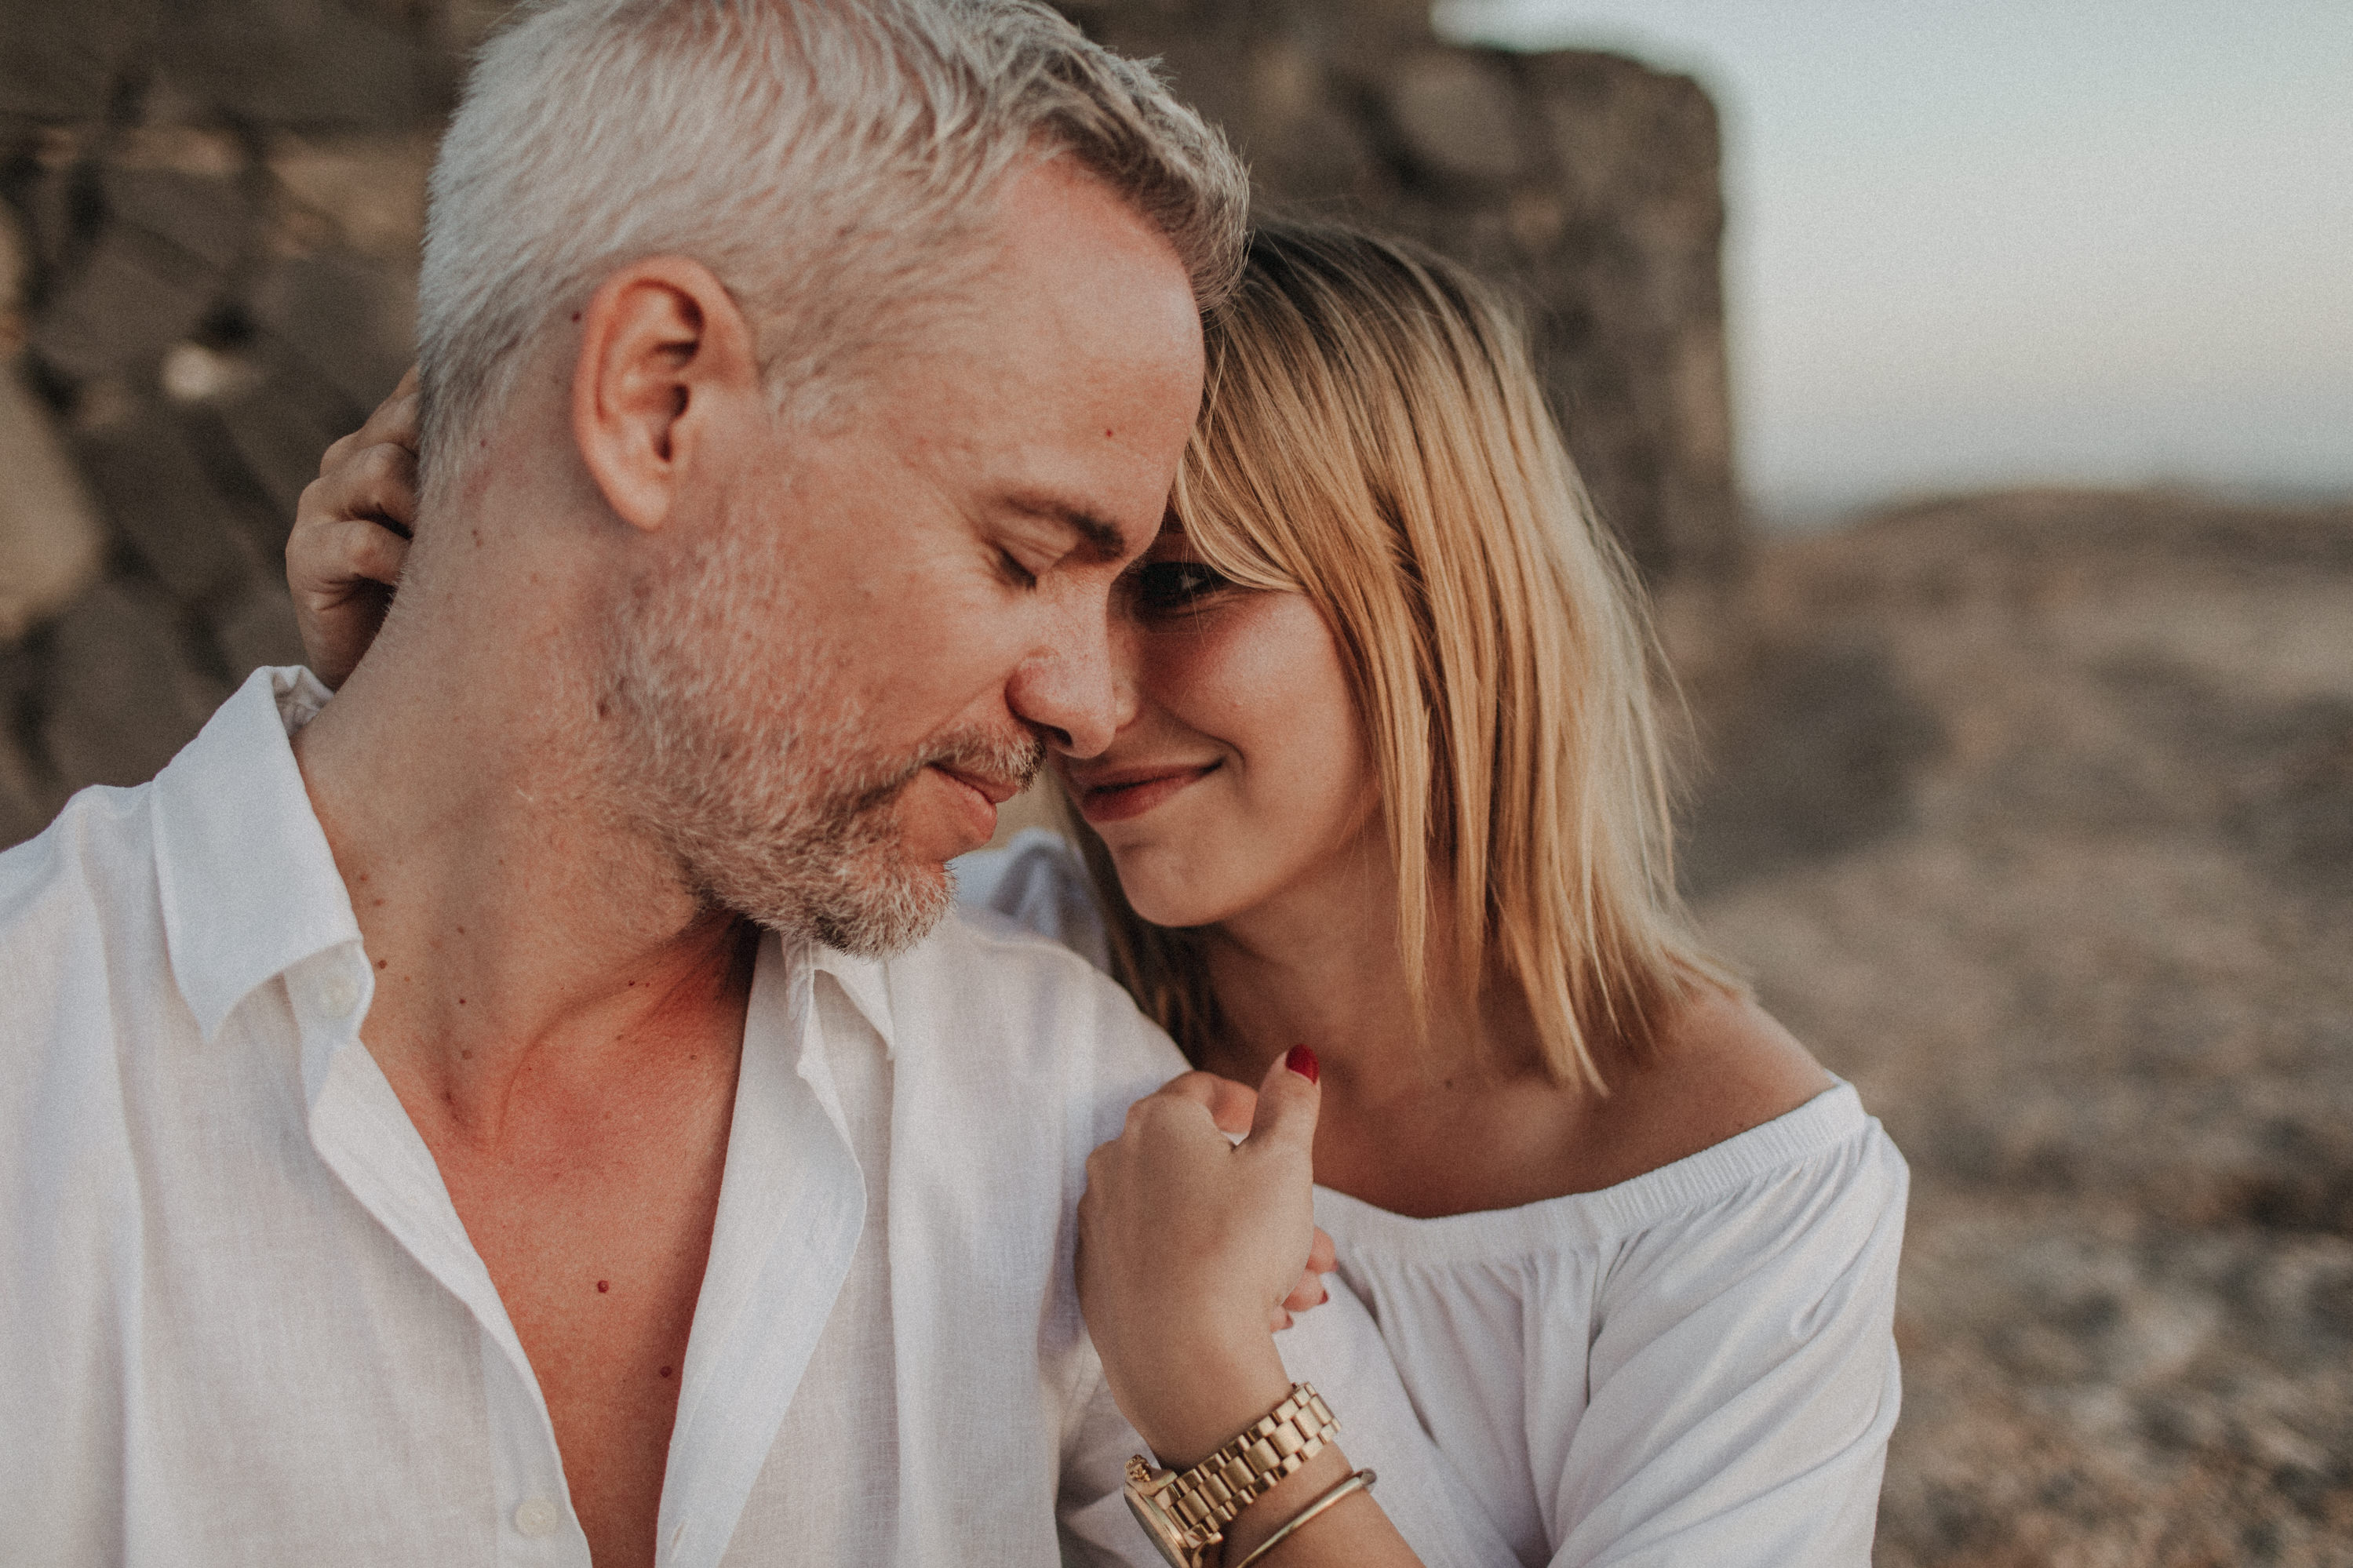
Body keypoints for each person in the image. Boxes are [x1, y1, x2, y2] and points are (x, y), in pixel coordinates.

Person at [0, 5, 1474, 1566]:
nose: (1092, 702)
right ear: (656, 398)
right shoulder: (36, 1075)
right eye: (1024, 551)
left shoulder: (1071, 1124)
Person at [291, 220, 1909, 1565]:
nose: (1080, 694)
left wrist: (1213, 1388)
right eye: (1044, 574)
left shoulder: (1747, 1201)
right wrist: (453, 672)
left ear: (1435, 604)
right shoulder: (976, 974)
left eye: (1183, 585)